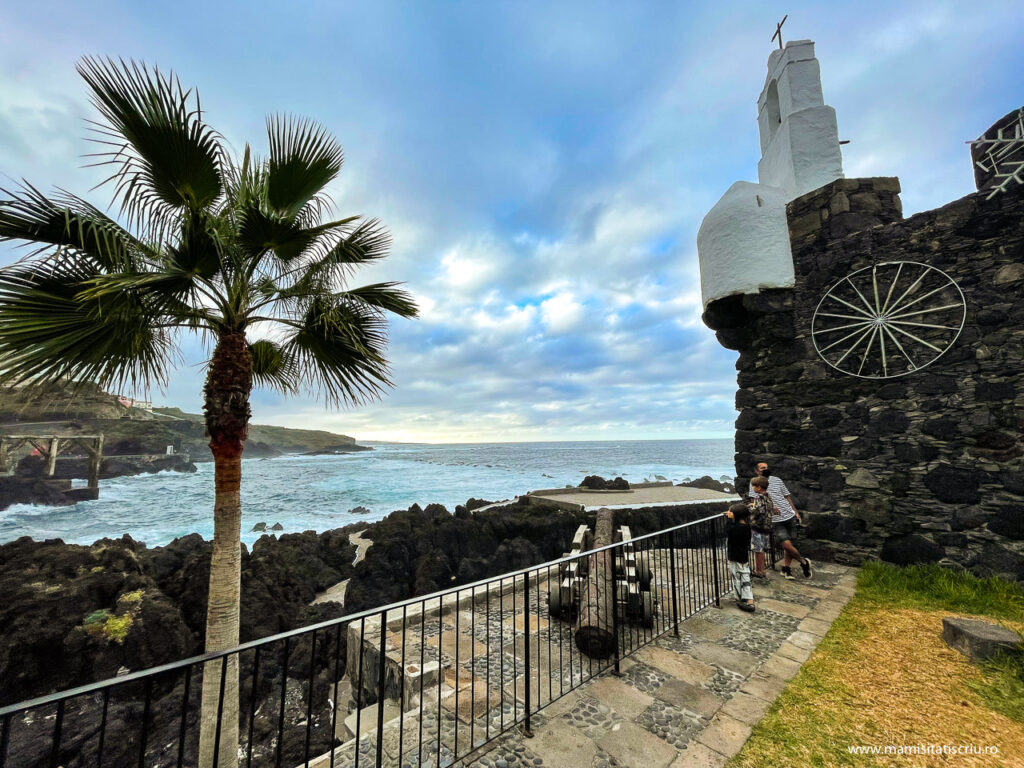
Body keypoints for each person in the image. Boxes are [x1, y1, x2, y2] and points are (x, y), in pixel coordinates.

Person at [748, 460, 812, 580]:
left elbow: (786, 496)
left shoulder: (777, 480)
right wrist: (770, 508)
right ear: (757, 471)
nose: (765, 469)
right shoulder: (755, 483)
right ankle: (804, 562)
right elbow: (754, 502)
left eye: (766, 467)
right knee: (786, 544)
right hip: (775, 520)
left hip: (789, 515)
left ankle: (786, 569)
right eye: (762, 468)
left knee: (789, 544)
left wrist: (796, 512)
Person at [724, 502, 755, 612]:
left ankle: (740, 598)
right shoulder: (746, 527)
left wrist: (729, 520)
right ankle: (749, 600)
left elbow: (728, 530)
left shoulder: (735, 528)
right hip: (743, 556)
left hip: (735, 556)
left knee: (737, 577)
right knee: (745, 576)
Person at [748, 475, 774, 578]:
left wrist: (747, 509)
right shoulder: (767, 496)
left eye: (754, 486)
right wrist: (753, 505)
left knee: (757, 550)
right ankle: (762, 570)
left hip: (758, 527)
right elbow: (766, 507)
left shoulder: (759, 497)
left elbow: (758, 511)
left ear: (759, 487)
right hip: (766, 526)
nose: (753, 488)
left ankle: (759, 571)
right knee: (761, 550)